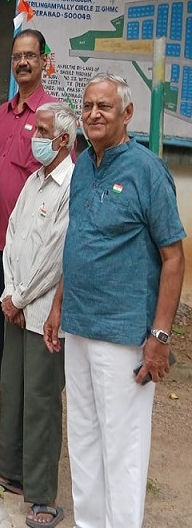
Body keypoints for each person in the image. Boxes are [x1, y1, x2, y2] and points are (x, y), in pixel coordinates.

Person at [46, 73, 185, 528]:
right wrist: (59, 305)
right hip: (80, 327)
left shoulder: (147, 171)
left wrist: (159, 336)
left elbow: (173, 258)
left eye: (104, 106)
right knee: (84, 441)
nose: (93, 114)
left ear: (127, 113)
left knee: (122, 449)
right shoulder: (84, 164)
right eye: (87, 106)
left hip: (124, 334)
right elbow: (79, 240)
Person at [0, 102, 77, 528]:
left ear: (62, 140)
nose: (32, 137)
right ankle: (14, 471)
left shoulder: (70, 184)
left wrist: (19, 297)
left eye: (41, 130)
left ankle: (41, 495)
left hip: (41, 313)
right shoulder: (35, 180)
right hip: (16, 303)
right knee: (16, 390)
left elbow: (56, 256)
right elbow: (14, 235)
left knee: (40, 401)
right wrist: (9, 293)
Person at [0, 30, 57, 394]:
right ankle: (7, 421)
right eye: (17, 56)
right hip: (1, 242)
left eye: (30, 56)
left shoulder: (52, 116)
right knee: (2, 330)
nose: (23, 63)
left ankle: (27, 426)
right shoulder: (1, 113)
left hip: (35, 248)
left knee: (29, 331)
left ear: (45, 60)